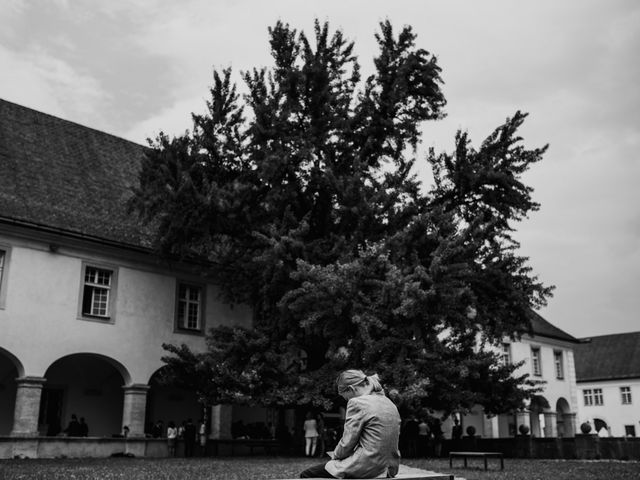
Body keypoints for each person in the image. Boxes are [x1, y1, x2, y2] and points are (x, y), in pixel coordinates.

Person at [300, 369, 401, 479]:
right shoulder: (389, 402)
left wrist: (335, 456)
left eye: (346, 397)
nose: (348, 400)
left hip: (366, 466)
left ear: (352, 389)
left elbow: (348, 442)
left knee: (306, 474)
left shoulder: (357, 402)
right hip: (390, 468)